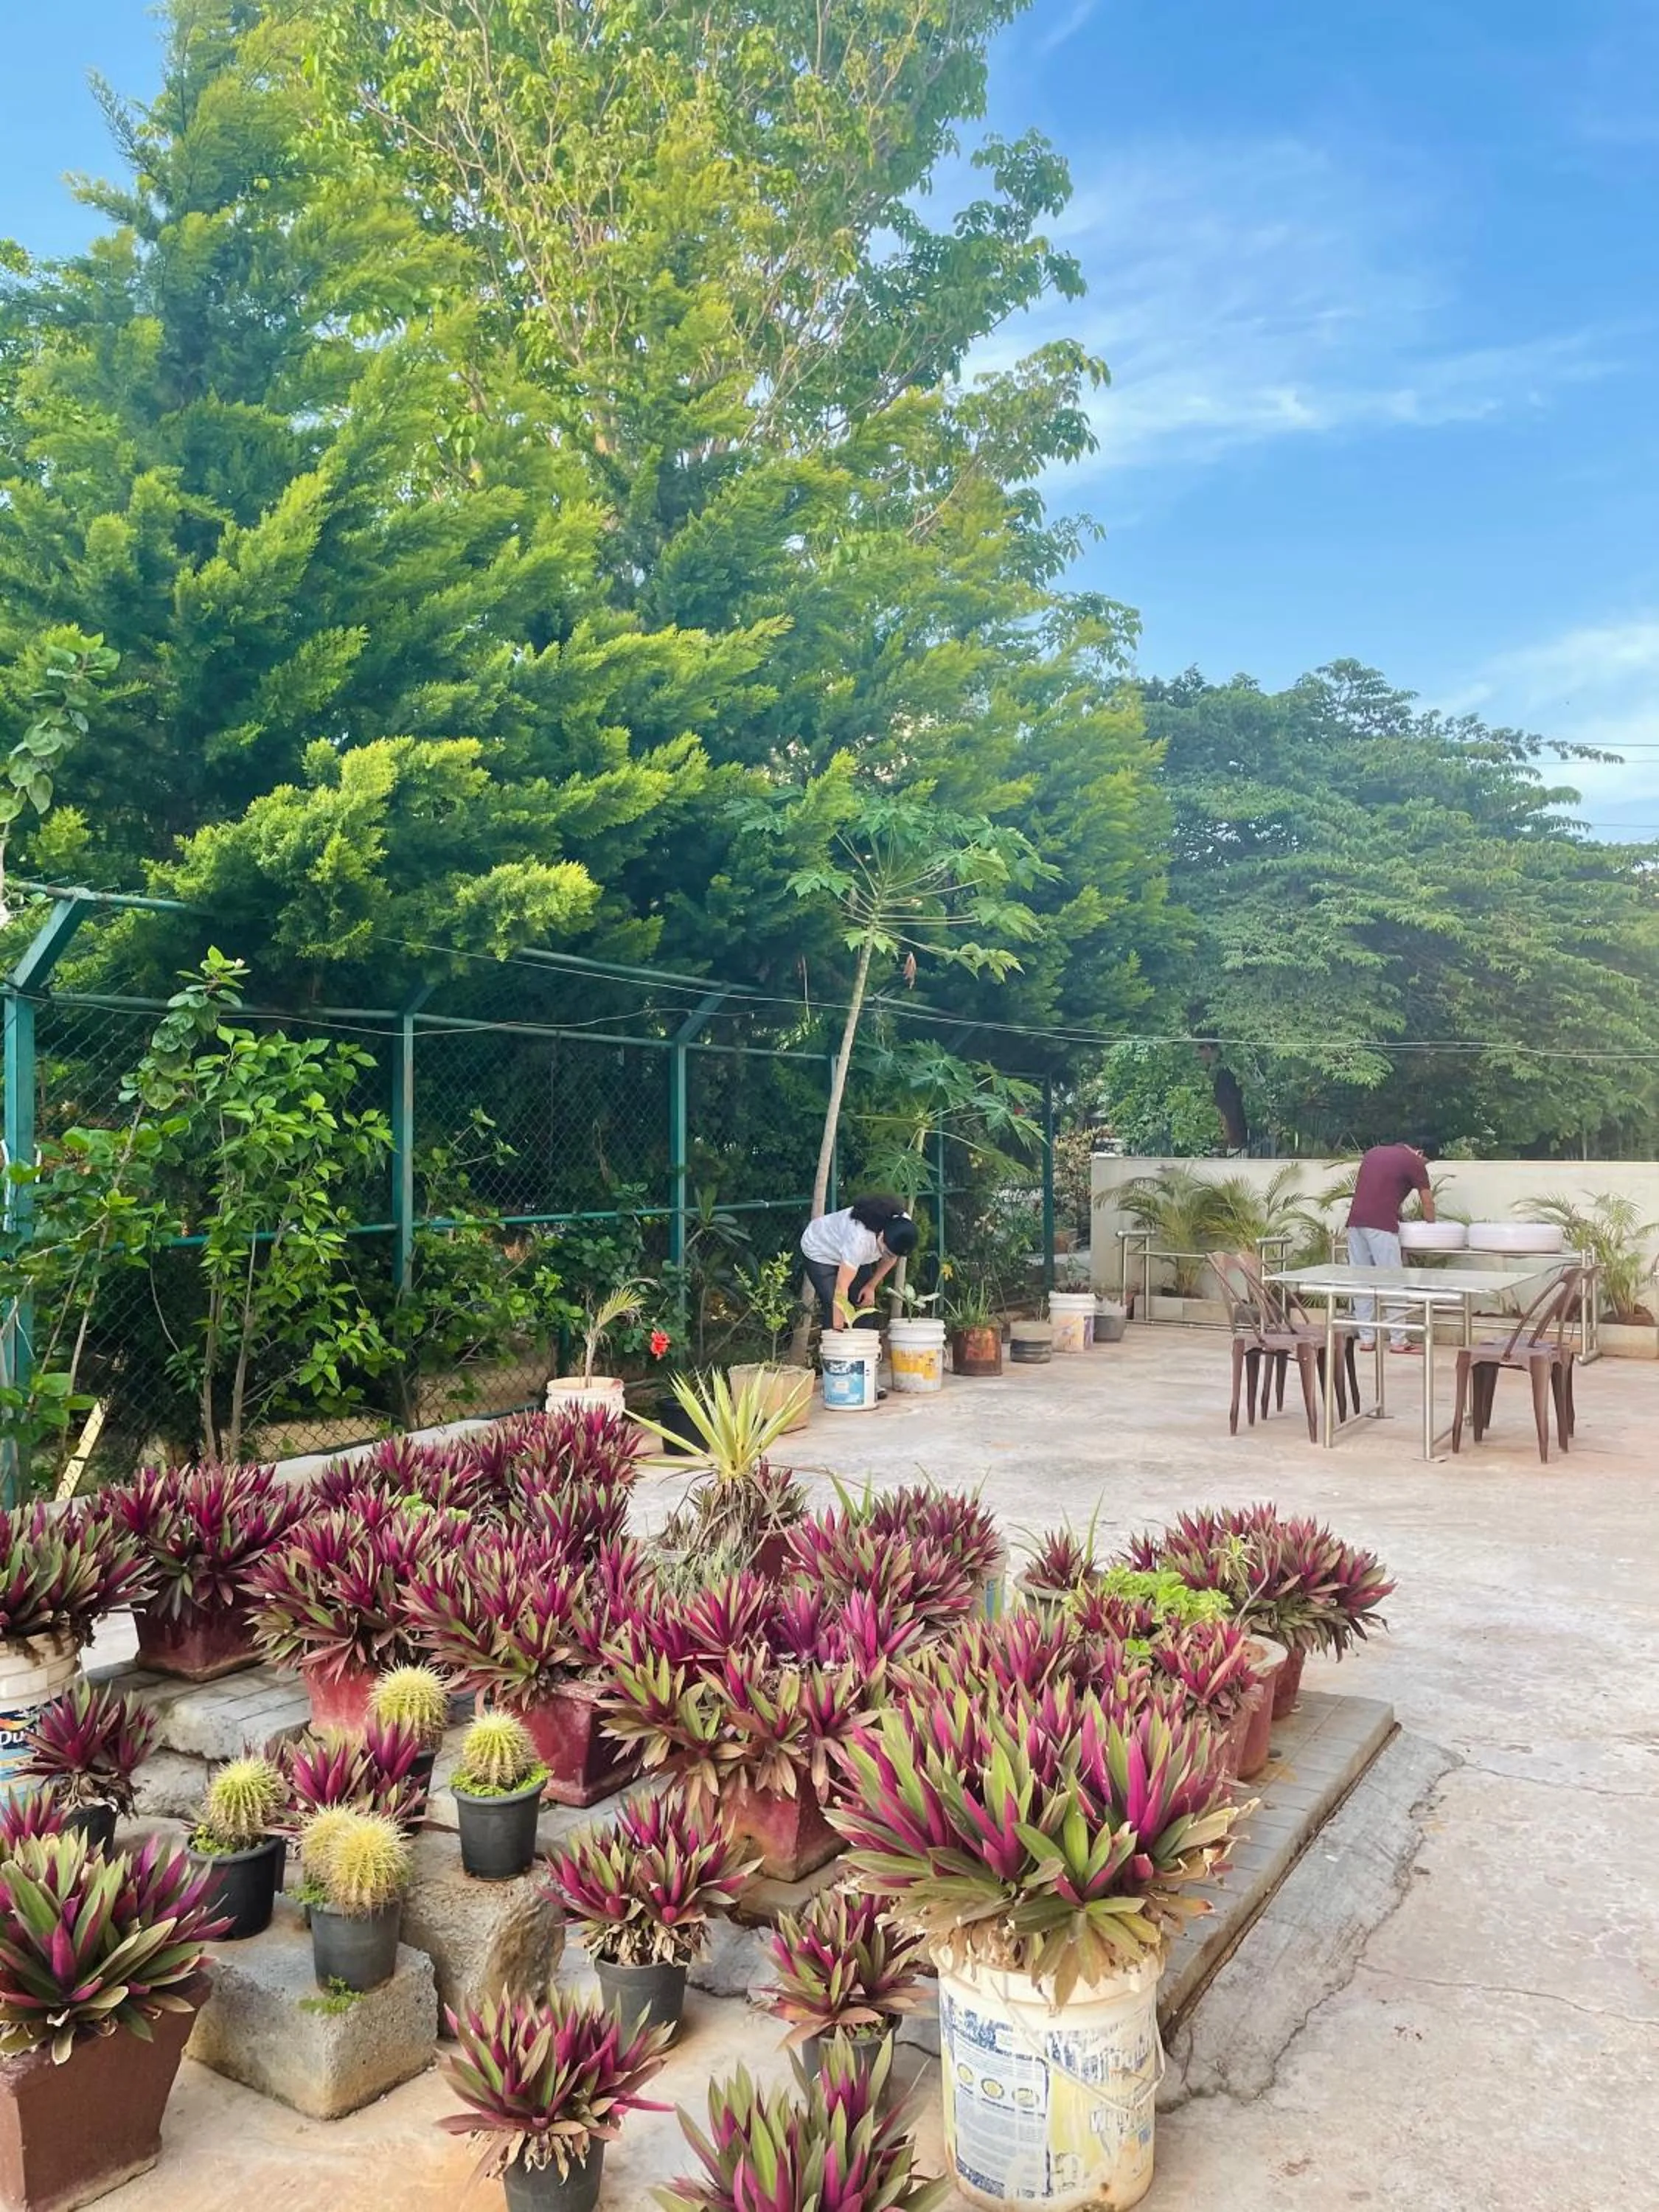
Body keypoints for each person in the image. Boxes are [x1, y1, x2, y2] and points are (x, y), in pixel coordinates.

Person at [1346, 1143, 1434, 1353]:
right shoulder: (1415, 1162)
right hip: (1382, 1227)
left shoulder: (1373, 1153)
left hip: (1355, 1223)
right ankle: (1398, 1340)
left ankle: (1367, 1339)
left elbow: (1378, 1190)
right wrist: (1432, 1227)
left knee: (1362, 1282)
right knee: (1393, 1282)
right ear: (1420, 1152)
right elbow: (1427, 1203)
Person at [799, 1195, 919, 1333]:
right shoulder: (859, 1239)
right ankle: (832, 1353)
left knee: (864, 1304)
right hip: (820, 1249)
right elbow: (841, 1288)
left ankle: (863, 1352)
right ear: (881, 1234)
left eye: (892, 1254)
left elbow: (891, 1258)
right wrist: (838, 1327)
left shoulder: (902, 1226)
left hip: (854, 1255)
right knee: (833, 1304)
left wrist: (871, 1286)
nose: (887, 1256)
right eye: (885, 1252)